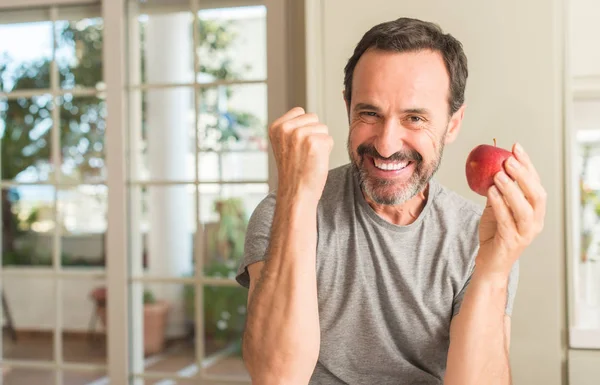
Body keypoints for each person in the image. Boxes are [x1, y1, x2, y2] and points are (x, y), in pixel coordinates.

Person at [235, 17, 546, 385]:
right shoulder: (283, 211)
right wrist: (296, 197)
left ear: (453, 123)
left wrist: (493, 270)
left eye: (414, 118)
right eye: (369, 113)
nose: (386, 144)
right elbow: (275, 377)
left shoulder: (476, 235)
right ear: (347, 105)